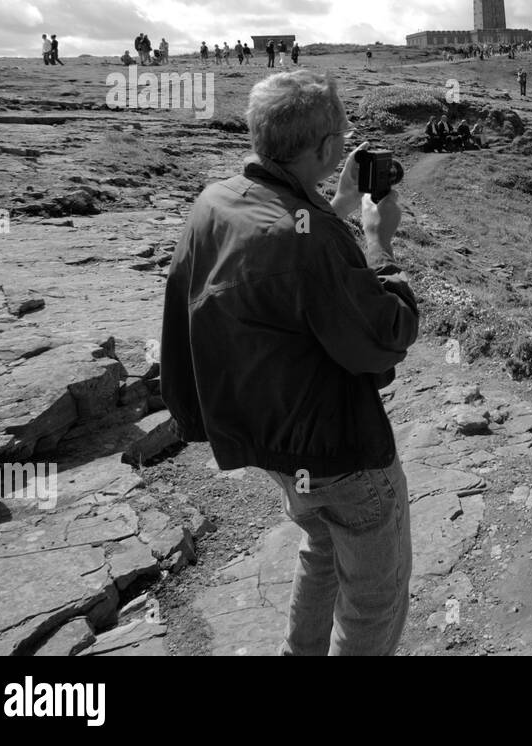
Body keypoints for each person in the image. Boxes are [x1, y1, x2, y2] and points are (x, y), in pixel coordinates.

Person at [161, 70, 418, 657]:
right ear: (327, 147)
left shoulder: (216, 202)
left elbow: (279, 272)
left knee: (322, 549)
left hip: (269, 440)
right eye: (341, 138)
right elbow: (385, 335)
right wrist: (378, 240)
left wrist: (339, 205)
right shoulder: (309, 240)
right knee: (374, 599)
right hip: (340, 453)